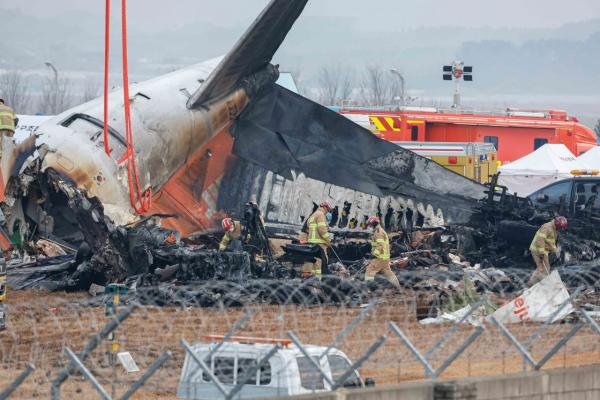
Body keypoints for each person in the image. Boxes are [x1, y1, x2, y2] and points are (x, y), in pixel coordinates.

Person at [528, 216, 567, 285]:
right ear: (557, 224)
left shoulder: (554, 229)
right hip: (537, 250)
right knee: (544, 269)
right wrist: (542, 253)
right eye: (560, 227)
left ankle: (531, 284)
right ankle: (541, 285)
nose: (560, 229)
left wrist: (555, 250)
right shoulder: (547, 227)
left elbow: (550, 242)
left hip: (543, 250)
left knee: (542, 268)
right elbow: (540, 240)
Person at [365, 216, 401, 290]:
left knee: (370, 270)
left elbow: (380, 245)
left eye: (370, 225)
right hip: (385, 258)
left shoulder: (378, 232)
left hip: (379, 257)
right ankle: (398, 287)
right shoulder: (380, 231)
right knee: (388, 273)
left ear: (374, 224)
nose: (370, 227)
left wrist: (373, 254)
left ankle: (368, 289)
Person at [302, 200, 332, 278]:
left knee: (313, 261)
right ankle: (318, 279)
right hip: (320, 244)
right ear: (325, 207)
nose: (327, 212)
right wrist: (328, 240)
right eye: (328, 210)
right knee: (320, 262)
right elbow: (322, 230)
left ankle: (310, 278)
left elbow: (307, 228)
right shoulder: (321, 215)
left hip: (311, 243)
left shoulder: (313, 215)